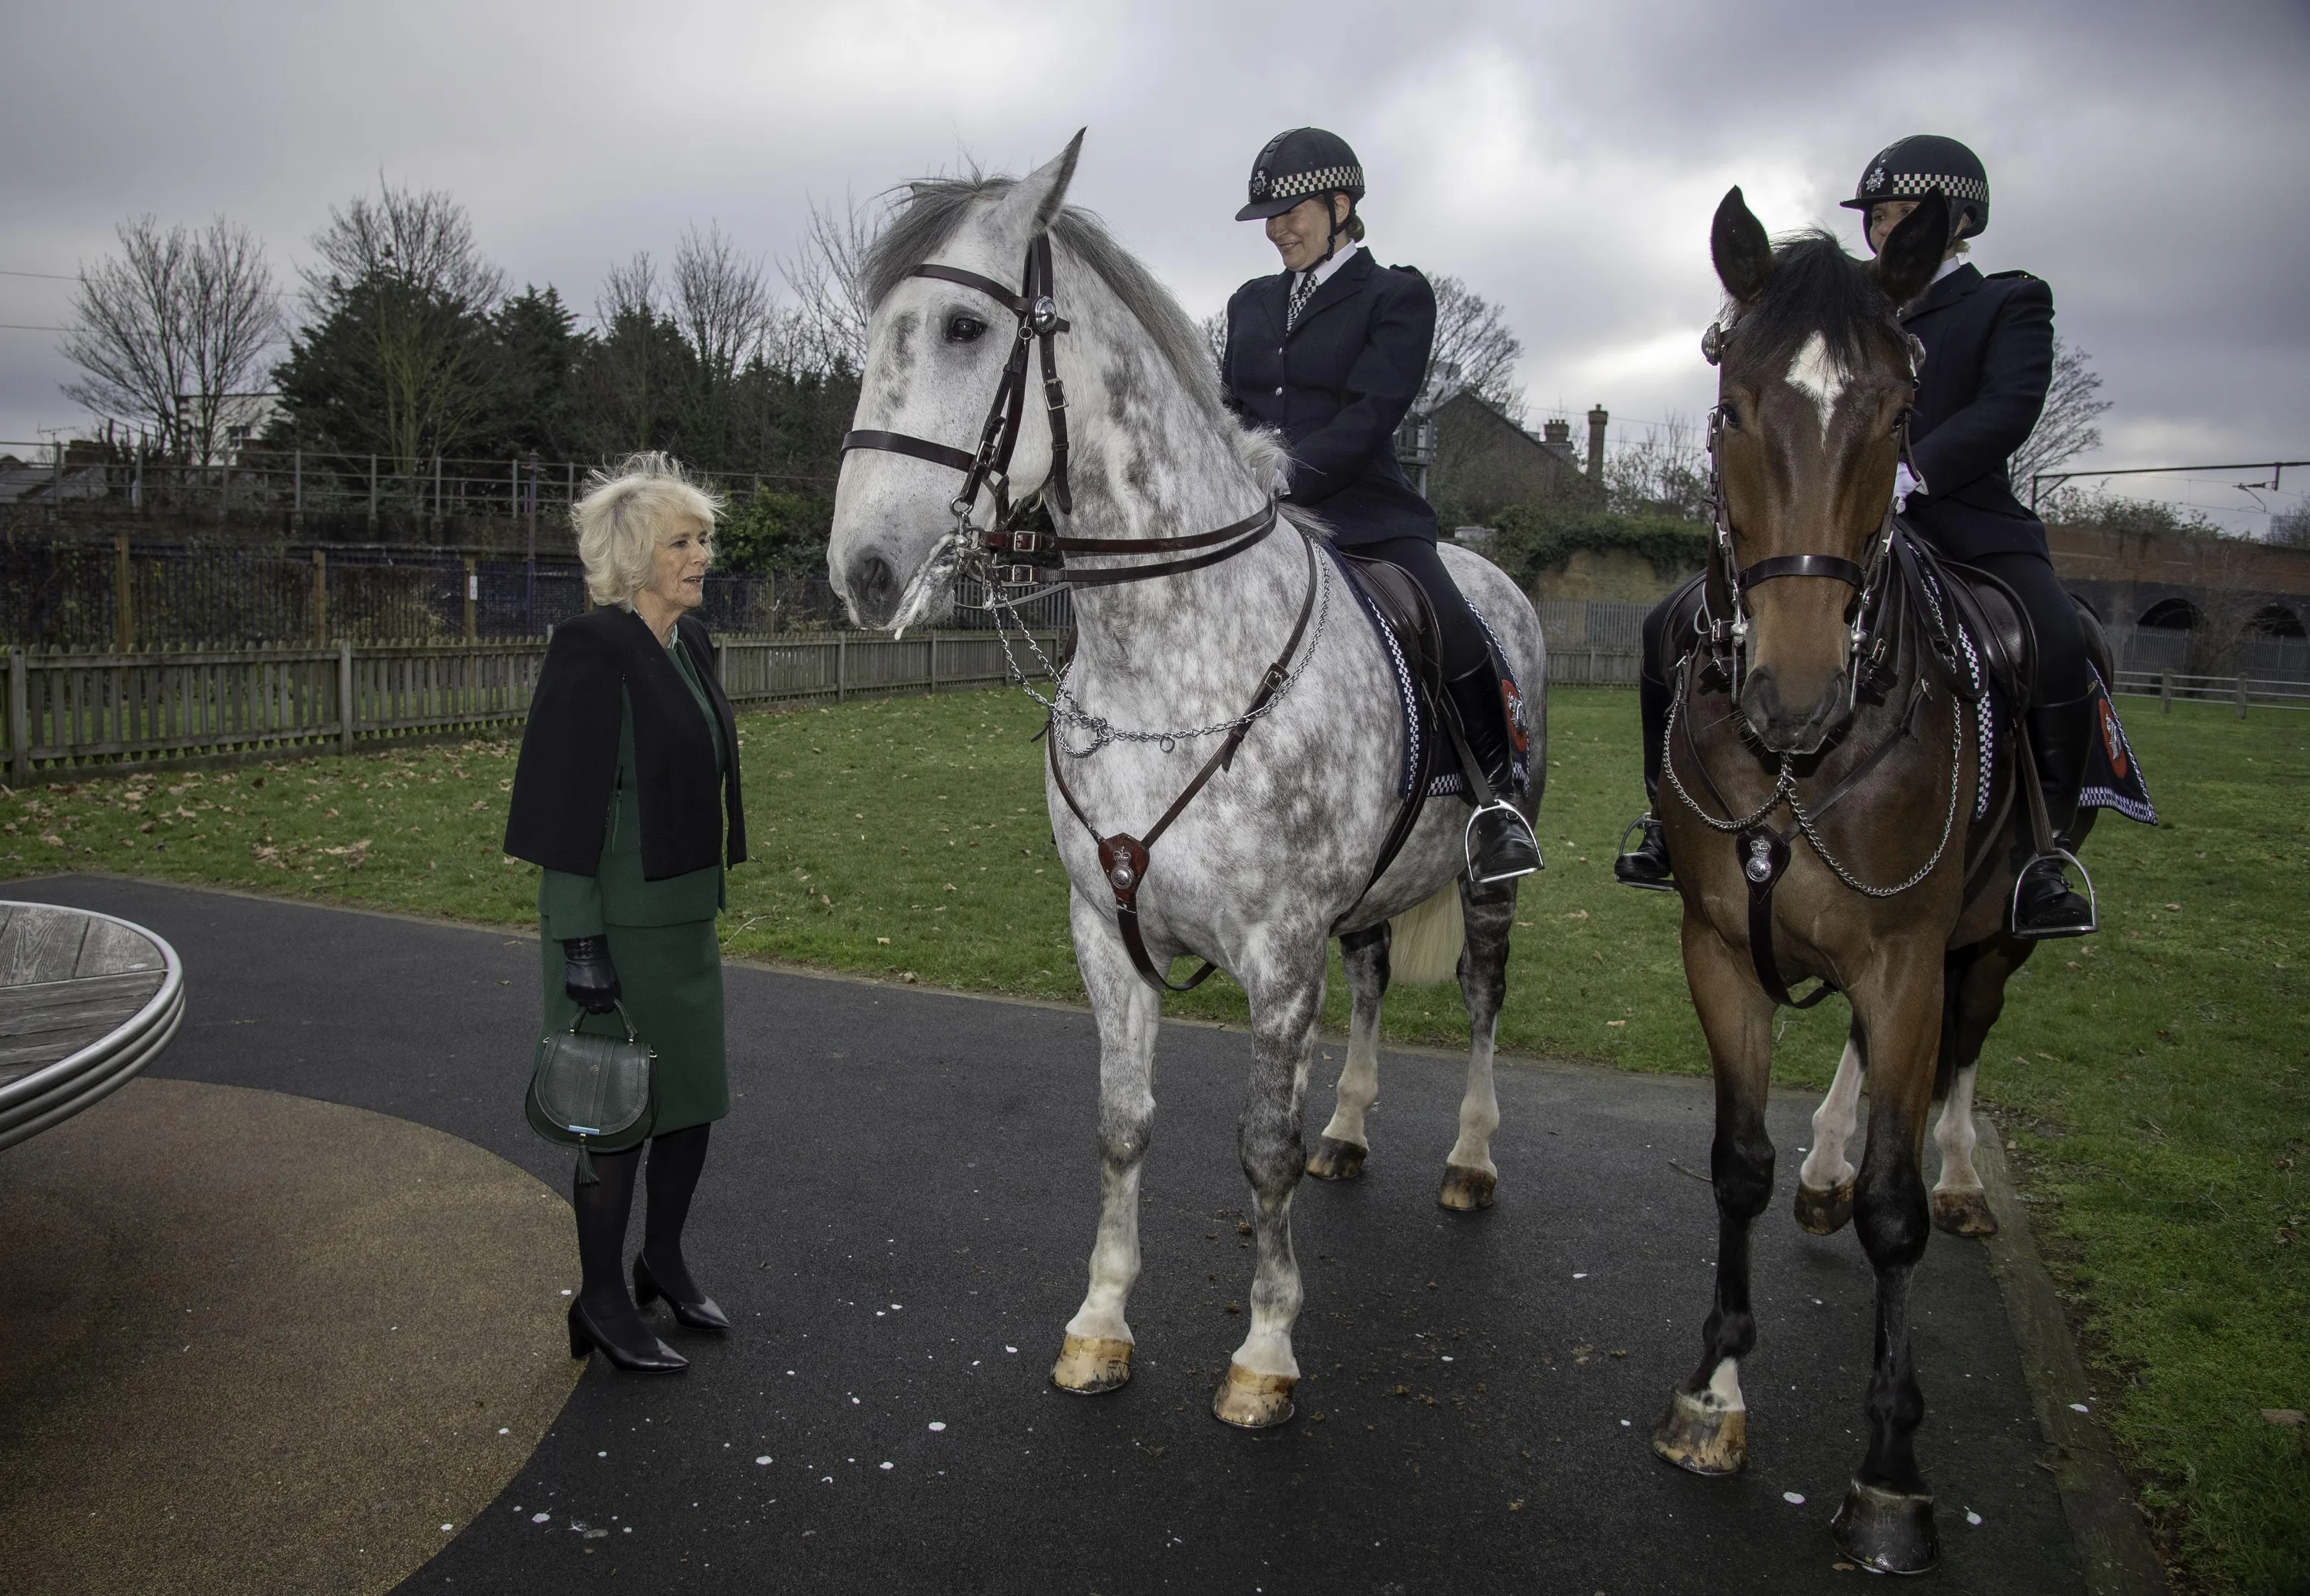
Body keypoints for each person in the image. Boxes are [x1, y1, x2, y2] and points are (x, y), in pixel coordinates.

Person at [1615, 135, 2096, 939]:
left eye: (1906, 215)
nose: (1887, 227)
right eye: (1878, 213)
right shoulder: (1834, 307)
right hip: (1829, 522)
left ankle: (2044, 853)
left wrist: (1915, 469)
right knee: (1669, 622)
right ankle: (1666, 819)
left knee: (2051, 635)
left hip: (1962, 521)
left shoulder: (2008, 302)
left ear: (1958, 222)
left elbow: (2010, 406)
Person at [1220, 126, 1540, 884]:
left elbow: (1373, 412)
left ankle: (1499, 802)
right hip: (1256, 518)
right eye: (1267, 216)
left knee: (1451, 622)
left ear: (1341, 205)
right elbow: (1229, 408)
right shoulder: (1249, 304)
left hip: (1363, 513)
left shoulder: (1397, 295)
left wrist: (1283, 478)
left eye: (1290, 212)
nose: (1277, 229)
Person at [504, 452, 748, 1373]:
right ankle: (600, 1298)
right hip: (607, 927)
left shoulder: (691, 647)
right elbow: (563, 808)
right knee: (611, 1122)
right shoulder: (593, 649)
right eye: (682, 542)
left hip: (683, 920)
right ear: (635, 555)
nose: (701, 556)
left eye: (703, 539)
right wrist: (579, 944)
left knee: (689, 1108)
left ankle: (663, 1260)